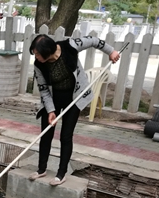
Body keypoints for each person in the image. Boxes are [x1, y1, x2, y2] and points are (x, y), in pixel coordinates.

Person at [28, 34, 120, 186]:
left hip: (74, 98)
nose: (35, 57)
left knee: (66, 135)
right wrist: (51, 111)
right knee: (46, 133)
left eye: (37, 54)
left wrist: (111, 51)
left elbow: (94, 40)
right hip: (53, 97)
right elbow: (43, 89)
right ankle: (41, 169)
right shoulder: (39, 65)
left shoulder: (70, 46)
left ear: (47, 51)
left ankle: (61, 173)